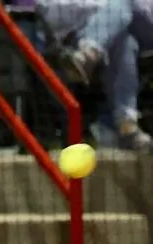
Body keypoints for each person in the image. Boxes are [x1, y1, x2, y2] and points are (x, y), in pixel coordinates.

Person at [54, 0, 153, 150]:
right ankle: (126, 127)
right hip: (109, 30)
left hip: (144, 25)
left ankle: (88, 54)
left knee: (124, 3)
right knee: (125, 42)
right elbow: (48, 9)